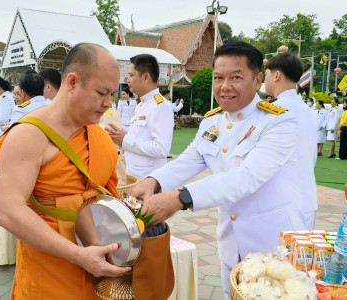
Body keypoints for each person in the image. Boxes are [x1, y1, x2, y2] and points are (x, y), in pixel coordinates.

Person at [129, 42, 308, 299]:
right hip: (231, 241)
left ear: (258, 79)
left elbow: (247, 176)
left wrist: (181, 198)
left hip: (272, 245)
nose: (225, 86)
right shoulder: (213, 121)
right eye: (218, 77)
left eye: (236, 77)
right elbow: (190, 159)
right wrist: (153, 181)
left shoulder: (279, 121)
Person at [0, 43, 131, 300]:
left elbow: (99, 197)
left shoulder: (96, 134)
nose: (108, 104)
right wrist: (79, 255)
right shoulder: (28, 134)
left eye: (113, 94)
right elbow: (7, 211)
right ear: (72, 82)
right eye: (102, 93)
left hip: (98, 267)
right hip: (50, 271)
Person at [264, 52, 318, 228]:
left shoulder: (273, 111)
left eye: (266, 75)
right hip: (307, 197)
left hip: (281, 203)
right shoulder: (307, 110)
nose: (265, 80)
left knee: (273, 256)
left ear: (276, 75)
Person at [106, 54, 174, 180]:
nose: (127, 79)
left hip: (148, 180)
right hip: (133, 175)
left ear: (145, 77)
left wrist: (125, 139)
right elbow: (138, 138)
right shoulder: (141, 105)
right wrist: (120, 139)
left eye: (131, 75)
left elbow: (161, 149)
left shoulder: (160, 106)